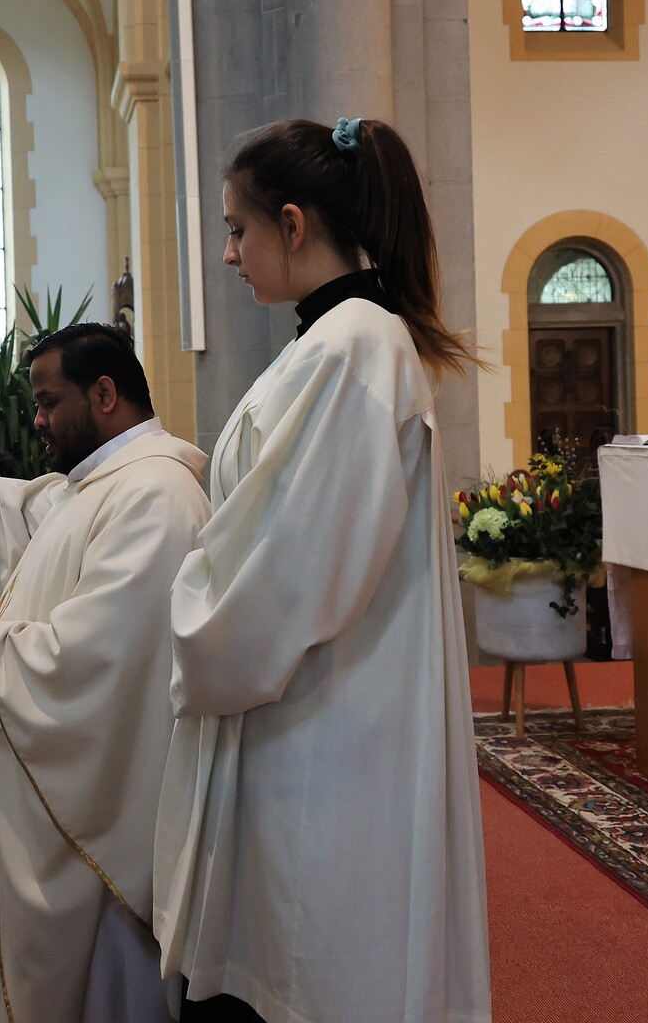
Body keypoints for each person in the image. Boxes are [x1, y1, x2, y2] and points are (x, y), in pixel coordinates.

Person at [154, 118, 491, 1022]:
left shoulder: (350, 348)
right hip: (320, 708)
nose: (229, 255)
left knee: (315, 964)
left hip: (326, 726)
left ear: (294, 224)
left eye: (238, 229)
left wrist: (188, 612)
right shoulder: (337, 342)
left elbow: (293, 571)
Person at [0, 322, 211, 1022]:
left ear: (105, 394)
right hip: (63, 810)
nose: (36, 419)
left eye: (48, 401)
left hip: (100, 832)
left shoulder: (156, 494)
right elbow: (17, 516)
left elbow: (101, 657)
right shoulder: (99, 484)